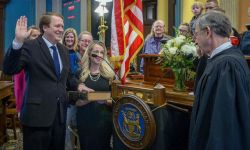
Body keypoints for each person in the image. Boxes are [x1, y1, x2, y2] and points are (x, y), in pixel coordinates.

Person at [3, 13, 79, 150]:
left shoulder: (63, 50)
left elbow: (68, 77)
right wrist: (17, 42)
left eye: (62, 26)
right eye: (57, 26)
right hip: (37, 117)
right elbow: (9, 69)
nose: (61, 29)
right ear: (45, 27)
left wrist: (80, 85)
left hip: (59, 116)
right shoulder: (30, 46)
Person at [189, 11, 250, 150]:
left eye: (196, 34)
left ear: (208, 32)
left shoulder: (226, 66)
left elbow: (222, 127)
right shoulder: (224, 59)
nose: (194, 39)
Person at [76, 40, 114, 150]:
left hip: (104, 121)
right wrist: (89, 99)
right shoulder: (80, 74)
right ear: (89, 53)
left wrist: (106, 101)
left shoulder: (110, 76)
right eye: (96, 52)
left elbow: (116, 100)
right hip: (85, 120)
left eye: (102, 52)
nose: (99, 55)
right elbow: (76, 102)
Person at [13, 25, 40, 116]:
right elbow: (18, 87)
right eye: (34, 35)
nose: (37, 38)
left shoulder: (42, 54)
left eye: (38, 36)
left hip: (41, 102)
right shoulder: (22, 55)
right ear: (27, 38)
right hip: (27, 103)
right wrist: (20, 108)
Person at [62, 27, 79, 150]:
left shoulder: (77, 53)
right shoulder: (61, 51)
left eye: (71, 37)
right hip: (65, 92)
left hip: (76, 91)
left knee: (75, 124)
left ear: (74, 39)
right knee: (65, 125)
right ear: (64, 38)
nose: (69, 38)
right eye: (67, 36)